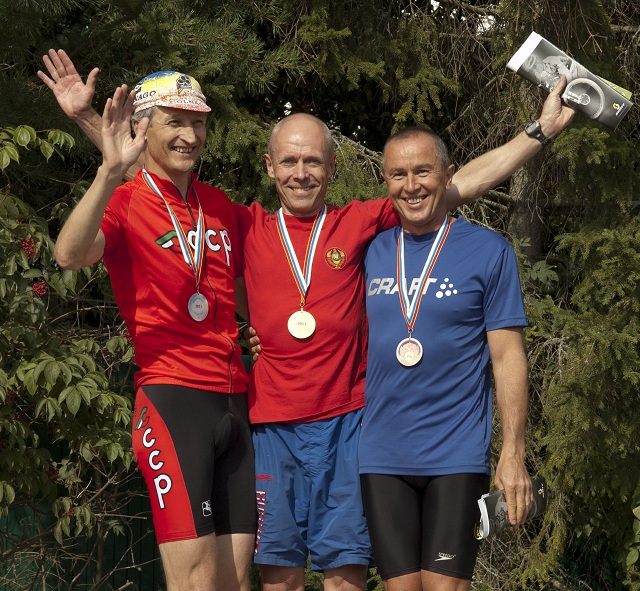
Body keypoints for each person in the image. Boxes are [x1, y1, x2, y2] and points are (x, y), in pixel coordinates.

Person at [39, 49, 575, 591]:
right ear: (269, 167)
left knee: (341, 576)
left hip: (346, 425)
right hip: (267, 424)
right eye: (289, 162)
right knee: (277, 579)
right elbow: (152, 177)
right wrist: (89, 122)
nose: (301, 174)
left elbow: (455, 186)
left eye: (313, 162)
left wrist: (541, 130)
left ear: (331, 169)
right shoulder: (242, 221)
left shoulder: (355, 222)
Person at [45, 69, 255, 591]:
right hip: (174, 400)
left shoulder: (218, 206)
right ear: (144, 127)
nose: (189, 134)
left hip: (235, 401)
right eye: (174, 122)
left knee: (233, 582)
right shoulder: (123, 202)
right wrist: (107, 172)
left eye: (197, 123)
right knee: (195, 580)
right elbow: (68, 255)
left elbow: (264, 276)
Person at [359, 127, 532, 591]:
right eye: (398, 174)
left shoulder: (488, 251)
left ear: (448, 175)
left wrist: (512, 453)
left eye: (423, 171)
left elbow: (508, 357)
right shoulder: (372, 250)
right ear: (385, 180)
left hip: (456, 455)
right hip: (381, 456)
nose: (410, 185)